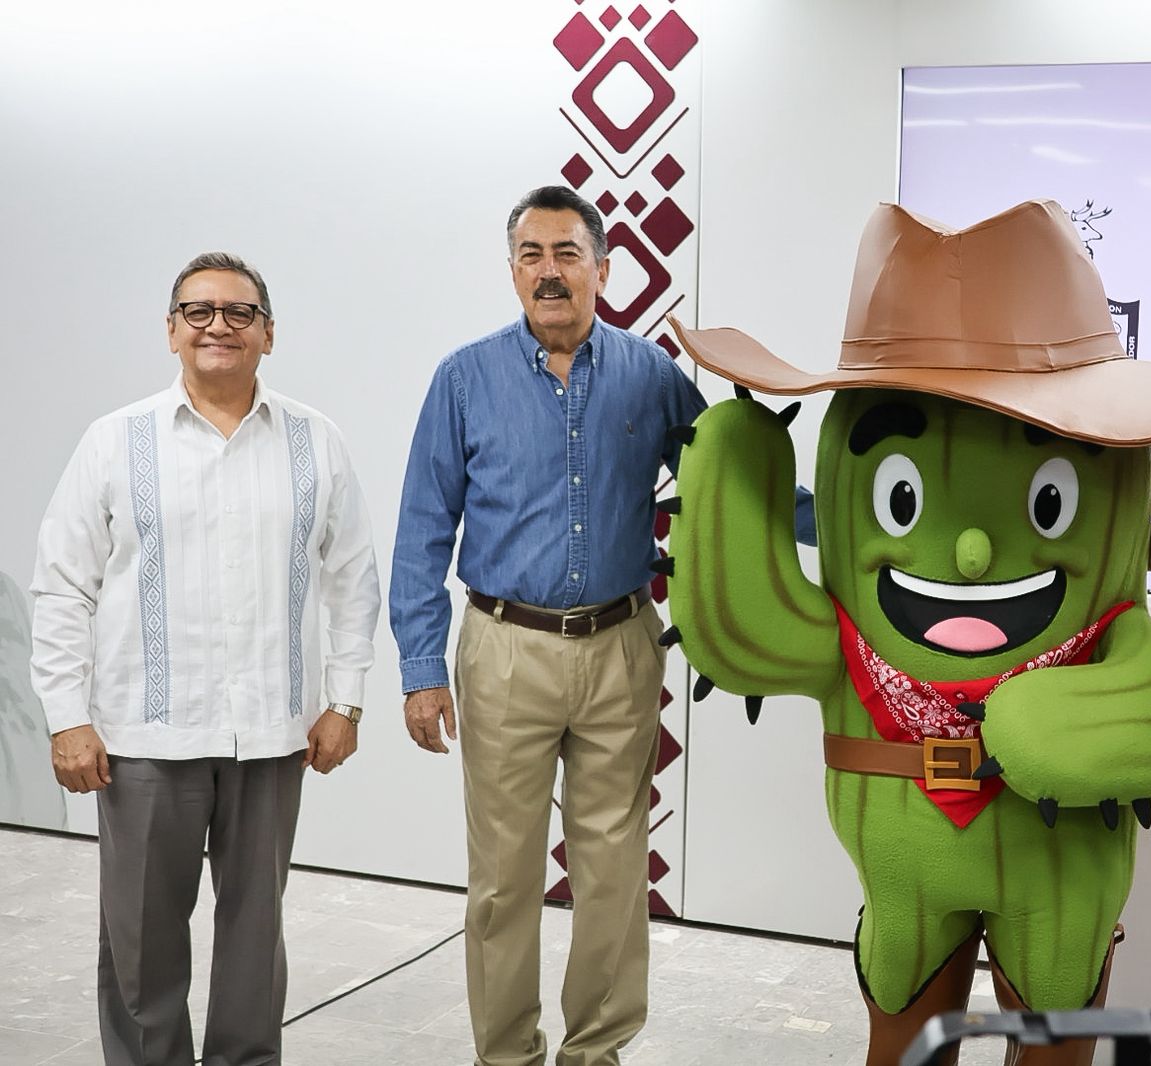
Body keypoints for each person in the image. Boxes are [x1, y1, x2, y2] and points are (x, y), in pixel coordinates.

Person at [31, 251, 382, 1066]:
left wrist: (346, 700)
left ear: (268, 333)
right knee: (141, 943)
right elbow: (63, 587)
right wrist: (67, 718)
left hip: (273, 738)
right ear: (171, 330)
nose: (217, 326)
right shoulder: (116, 442)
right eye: (198, 312)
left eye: (238, 312)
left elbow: (353, 579)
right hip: (144, 740)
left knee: (256, 941)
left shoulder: (315, 441)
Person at [390, 185, 706, 1066]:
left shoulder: (651, 376)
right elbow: (422, 530)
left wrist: (831, 515)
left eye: (568, 253)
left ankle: (595, 1051)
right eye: (531, 255)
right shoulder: (464, 379)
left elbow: (728, 481)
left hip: (620, 648)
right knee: (503, 877)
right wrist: (422, 669)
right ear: (512, 272)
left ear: (603, 267)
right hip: (504, 650)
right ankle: (507, 1055)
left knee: (613, 870)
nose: (550, 272)